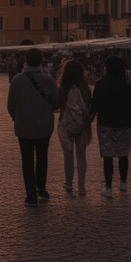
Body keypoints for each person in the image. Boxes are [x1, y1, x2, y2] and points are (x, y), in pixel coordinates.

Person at [7, 48, 59, 207]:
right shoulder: (49, 79)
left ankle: (31, 195)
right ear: (41, 61)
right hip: (44, 125)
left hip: (24, 126)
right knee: (43, 157)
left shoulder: (17, 79)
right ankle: (42, 189)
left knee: (27, 160)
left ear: (25, 61)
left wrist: (19, 119)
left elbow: (10, 105)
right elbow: (56, 102)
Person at [90, 55, 131, 197]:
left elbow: (95, 104)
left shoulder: (101, 84)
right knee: (123, 154)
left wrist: (89, 116)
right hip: (125, 123)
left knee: (108, 156)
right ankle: (123, 183)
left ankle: (108, 188)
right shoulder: (128, 83)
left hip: (106, 123)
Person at [57, 59, 93, 193]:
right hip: (82, 124)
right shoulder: (85, 88)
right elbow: (89, 105)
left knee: (68, 154)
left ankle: (69, 183)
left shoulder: (62, 88)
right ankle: (82, 187)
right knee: (81, 156)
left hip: (65, 124)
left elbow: (58, 104)